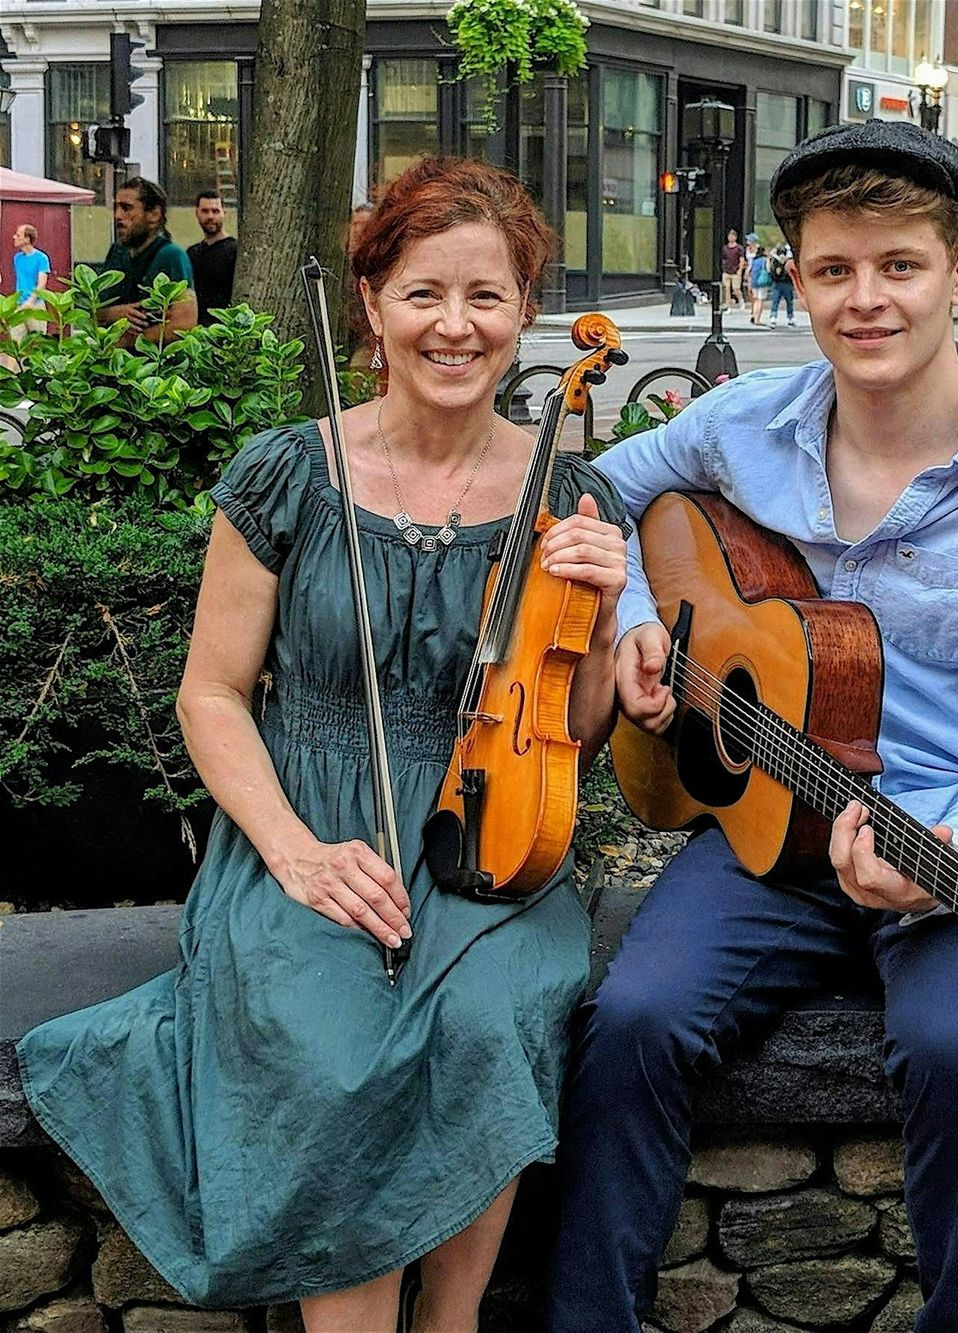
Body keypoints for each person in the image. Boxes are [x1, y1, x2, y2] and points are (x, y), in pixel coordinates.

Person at [18, 156, 628, 1333]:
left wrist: (596, 627)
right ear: (372, 303)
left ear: (524, 314)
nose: (455, 326)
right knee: (326, 1035)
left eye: (487, 297)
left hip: (484, 834)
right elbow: (210, 695)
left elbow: (576, 735)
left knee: (487, 1014)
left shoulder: (569, 496)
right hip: (296, 813)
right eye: (424, 294)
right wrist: (296, 853)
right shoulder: (290, 473)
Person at [546, 118, 958, 1333]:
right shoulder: (742, 422)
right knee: (630, 1020)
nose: (866, 301)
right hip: (771, 831)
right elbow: (600, 485)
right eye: (833, 270)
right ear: (795, 274)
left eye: (900, 266)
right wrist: (643, 616)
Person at [96, 176, 197, 347]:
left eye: (127, 208)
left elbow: (184, 323)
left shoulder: (171, 256)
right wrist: (114, 313)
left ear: (154, 214)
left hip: (153, 367)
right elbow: (91, 310)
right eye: (116, 207)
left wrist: (128, 341)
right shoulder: (117, 253)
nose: (118, 216)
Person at [187, 191, 238, 325]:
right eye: (205, 211)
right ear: (196, 213)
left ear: (224, 213)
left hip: (225, 329)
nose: (210, 216)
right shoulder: (192, 253)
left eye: (215, 211)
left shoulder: (235, 251)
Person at [10, 223, 51, 334]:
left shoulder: (41, 258)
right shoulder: (17, 258)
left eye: (18, 235)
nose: (14, 237)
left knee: (38, 341)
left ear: (27, 239)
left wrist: (30, 301)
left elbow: (42, 284)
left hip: (35, 305)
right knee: (16, 342)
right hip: (19, 305)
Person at [767, 239, 795, 327]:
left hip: (784, 283)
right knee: (777, 301)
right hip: (780, 283)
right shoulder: (780, 261)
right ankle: (775, 316)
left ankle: (789, 317)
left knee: (787, 301)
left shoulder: (785, 261)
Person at [747, 234, 772, 325]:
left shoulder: (754, 260)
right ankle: (757, 319)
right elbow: (768, 269)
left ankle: (753, 315)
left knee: (755, 299)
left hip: (754, 281)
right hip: (762, 281)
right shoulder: (764, 260)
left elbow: (749, 270)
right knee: (760, 301)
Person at [719, 228, 745, 309]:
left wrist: (740, 269)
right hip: (727, 271)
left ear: (735, 237)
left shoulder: (739, 248)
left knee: (736, 288)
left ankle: (740, 300)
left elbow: (741, 260)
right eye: (729, 235)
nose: (730, 237)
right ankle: (728, 305)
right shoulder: (725, 248)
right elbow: (723, 258)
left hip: (735, 271)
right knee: (726, 289)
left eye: (732, 236)